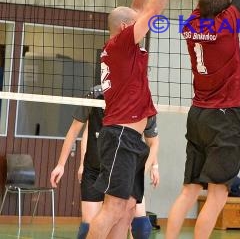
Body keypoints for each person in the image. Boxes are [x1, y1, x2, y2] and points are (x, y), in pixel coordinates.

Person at [165, 0, 240, 239]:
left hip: (198, 114)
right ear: (224, 11)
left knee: (189, 190)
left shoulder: (193, 24)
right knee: (218, 193)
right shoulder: (227, 24)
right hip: (223, 117)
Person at [85, 0, 180, 239]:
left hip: (129, 137)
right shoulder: (124, 44)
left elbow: (138, 8)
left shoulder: (119, 44)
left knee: (126, 209)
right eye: (136, 22)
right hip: (122, 136)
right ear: (128, 28)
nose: (143, 23)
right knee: (113, 208)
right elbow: (150, 10)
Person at [50, 86, 159, 239]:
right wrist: (61, 164)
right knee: (88, 228)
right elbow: (76, 131)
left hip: (124, 170)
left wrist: (152, 167)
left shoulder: (140, 97)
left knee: (140, 227)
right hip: (95, 169)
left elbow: (152, 141)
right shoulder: (95, 95)